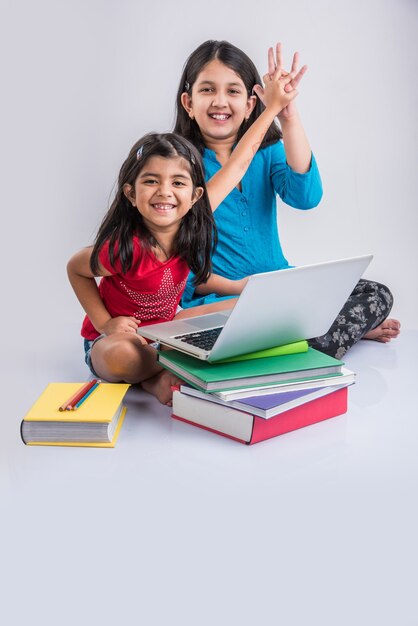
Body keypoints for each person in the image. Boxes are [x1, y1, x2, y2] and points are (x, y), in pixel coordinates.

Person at [67, 69, 298, 404]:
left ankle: (164, 371)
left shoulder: (195, 225)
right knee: (124, 355)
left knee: (251, 307)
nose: (165, 192)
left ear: (195, 195)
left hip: (166, 329)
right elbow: (76, 269)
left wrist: (272, 110)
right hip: (117, 341)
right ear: (131, 193)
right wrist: (105, 324)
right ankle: (162, 374)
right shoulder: (126, 247)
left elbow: (237, 163)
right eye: (151, 181)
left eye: (177, 183)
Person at [174, 40, 400, 359]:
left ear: (252, 104)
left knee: (376, 293)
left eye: (233, 91)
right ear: (188, 102)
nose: (220, 101)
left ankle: (301, 337)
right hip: (222, 301)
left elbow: (306, 197)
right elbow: (182, 267)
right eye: (208, 90)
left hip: (280, 289)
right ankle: (323, 334)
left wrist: (287, 116)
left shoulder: (267, 152)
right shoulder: (179, 165)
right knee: (235, 321)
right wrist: (245, 290)